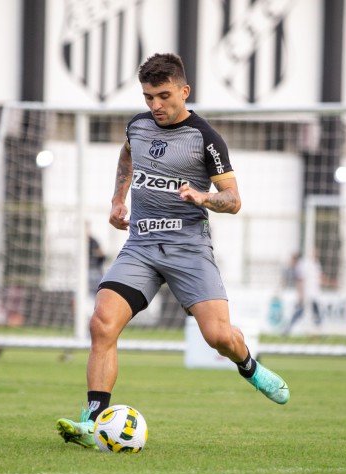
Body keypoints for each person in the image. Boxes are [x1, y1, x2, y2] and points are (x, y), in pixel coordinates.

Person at [56, 53, 289, 449]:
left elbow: (233, 199)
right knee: (101, 323)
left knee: (218, 336)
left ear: (184, 91)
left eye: (164, 96)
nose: (156, 106)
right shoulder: (138, 125)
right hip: (142, 246)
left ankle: (248, 365)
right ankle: (93, 422)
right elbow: (127, 154)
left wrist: (203, 197)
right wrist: (118, 199)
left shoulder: (205, 138)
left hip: (188, 249)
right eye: (148, 97)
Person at [285, 249, 329, 334]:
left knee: (313, 312)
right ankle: (288, 328)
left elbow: (318, 278)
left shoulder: (317, 264)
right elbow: (300, 280)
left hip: (315, 295)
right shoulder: (305, 264)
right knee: (302, 312)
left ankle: (319, 330)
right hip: (308, 295)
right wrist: (301, 295)